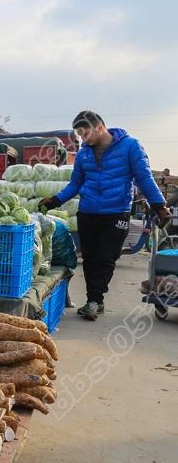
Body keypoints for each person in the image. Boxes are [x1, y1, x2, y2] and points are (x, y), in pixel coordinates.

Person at [40, 110, 168, 321]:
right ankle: (95, 301)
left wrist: (159, 205)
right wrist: (55, 200)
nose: (83, 139)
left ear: (99, 127)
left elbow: (144, 177)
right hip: (88, 212)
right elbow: (76, 184)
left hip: (116, 212)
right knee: (89, 259)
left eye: (85, 133)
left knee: (106, 257)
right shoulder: (83, 154)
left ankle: (95, 299)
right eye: (80, 135)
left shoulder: (130, 147)